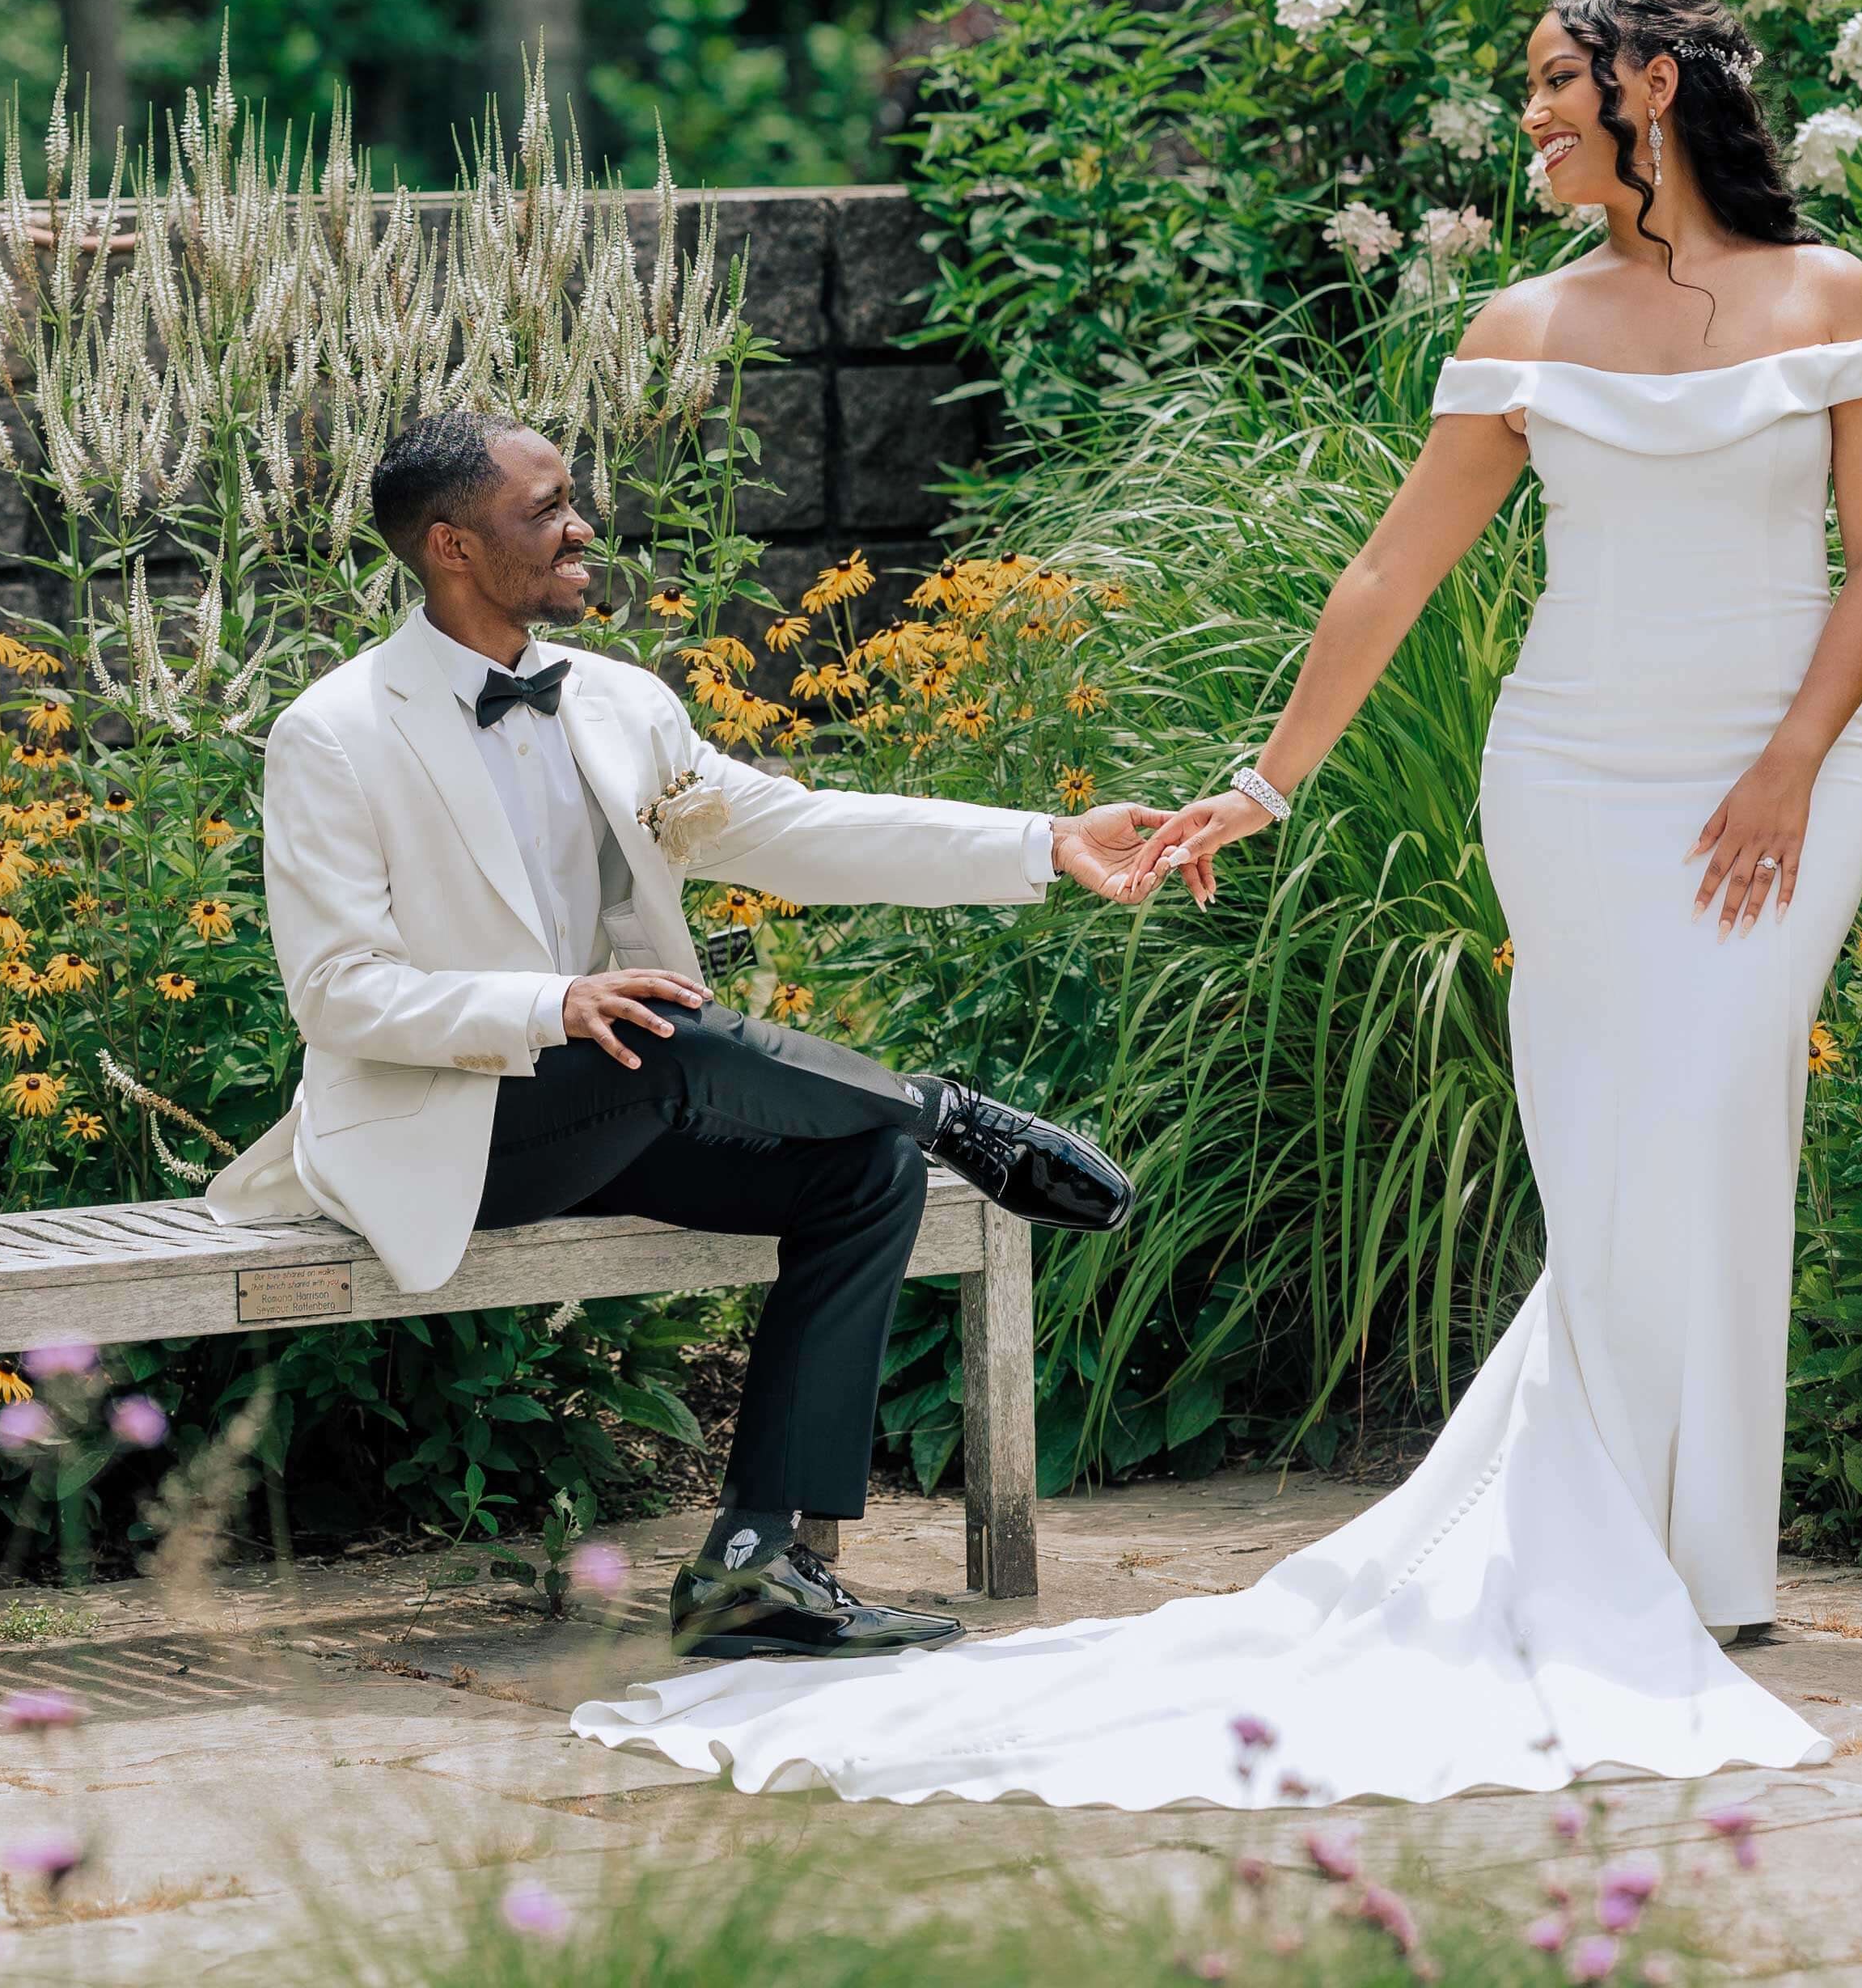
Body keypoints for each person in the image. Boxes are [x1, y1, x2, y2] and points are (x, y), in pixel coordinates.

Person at [572, 0, 1862, 1804]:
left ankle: (1703, 1560)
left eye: (1549, 80)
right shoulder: (1525, 324)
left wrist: (1782, 766)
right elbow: (1388, 577)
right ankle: (1652, 1564)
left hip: (1785, 777)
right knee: (1612, 1143)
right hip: (1578, 783)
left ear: (1650, 84)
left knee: (1727, 1112)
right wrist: (1261, 785)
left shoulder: (1828, 297)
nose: (1528, 112)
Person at [208, 409, 1172, 1664]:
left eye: (573, 500)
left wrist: (1040, 840)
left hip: (618, 1098)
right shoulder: (335, 732)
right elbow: (337, 992)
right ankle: (947, 1114)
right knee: (661, 1031)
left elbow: (794, 829)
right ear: (449, 544)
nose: (582, 528)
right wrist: (547, 1005)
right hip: (446, 1127)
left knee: (862, 1174)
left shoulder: (618, 701)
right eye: (544, 510)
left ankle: (753, 1568)